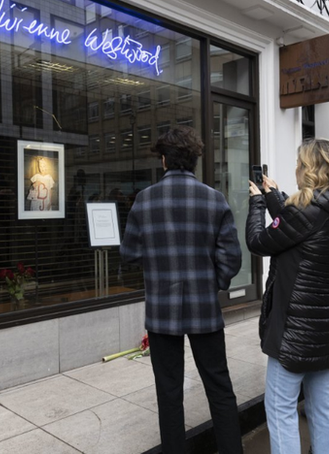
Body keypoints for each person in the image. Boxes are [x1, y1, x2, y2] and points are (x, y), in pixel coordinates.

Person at [120, 126, 243, 454]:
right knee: (219, 387)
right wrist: (213, 283)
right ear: (194, 161)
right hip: (205, 308)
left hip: (162, 310)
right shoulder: (214, 199)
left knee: (169, 392)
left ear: (163, 160)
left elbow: (129, 253)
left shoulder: (144, 200)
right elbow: (231, 259)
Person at [246, 139, 329, 454]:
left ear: (310, 169)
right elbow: (298, 228)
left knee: (280, 407)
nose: (296, 168)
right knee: (323, 405)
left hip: (294, 328)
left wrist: (257, 203)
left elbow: (259, 242)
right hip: (326, 323)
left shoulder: (305, 211)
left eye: (299, 163)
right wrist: (274, 196)